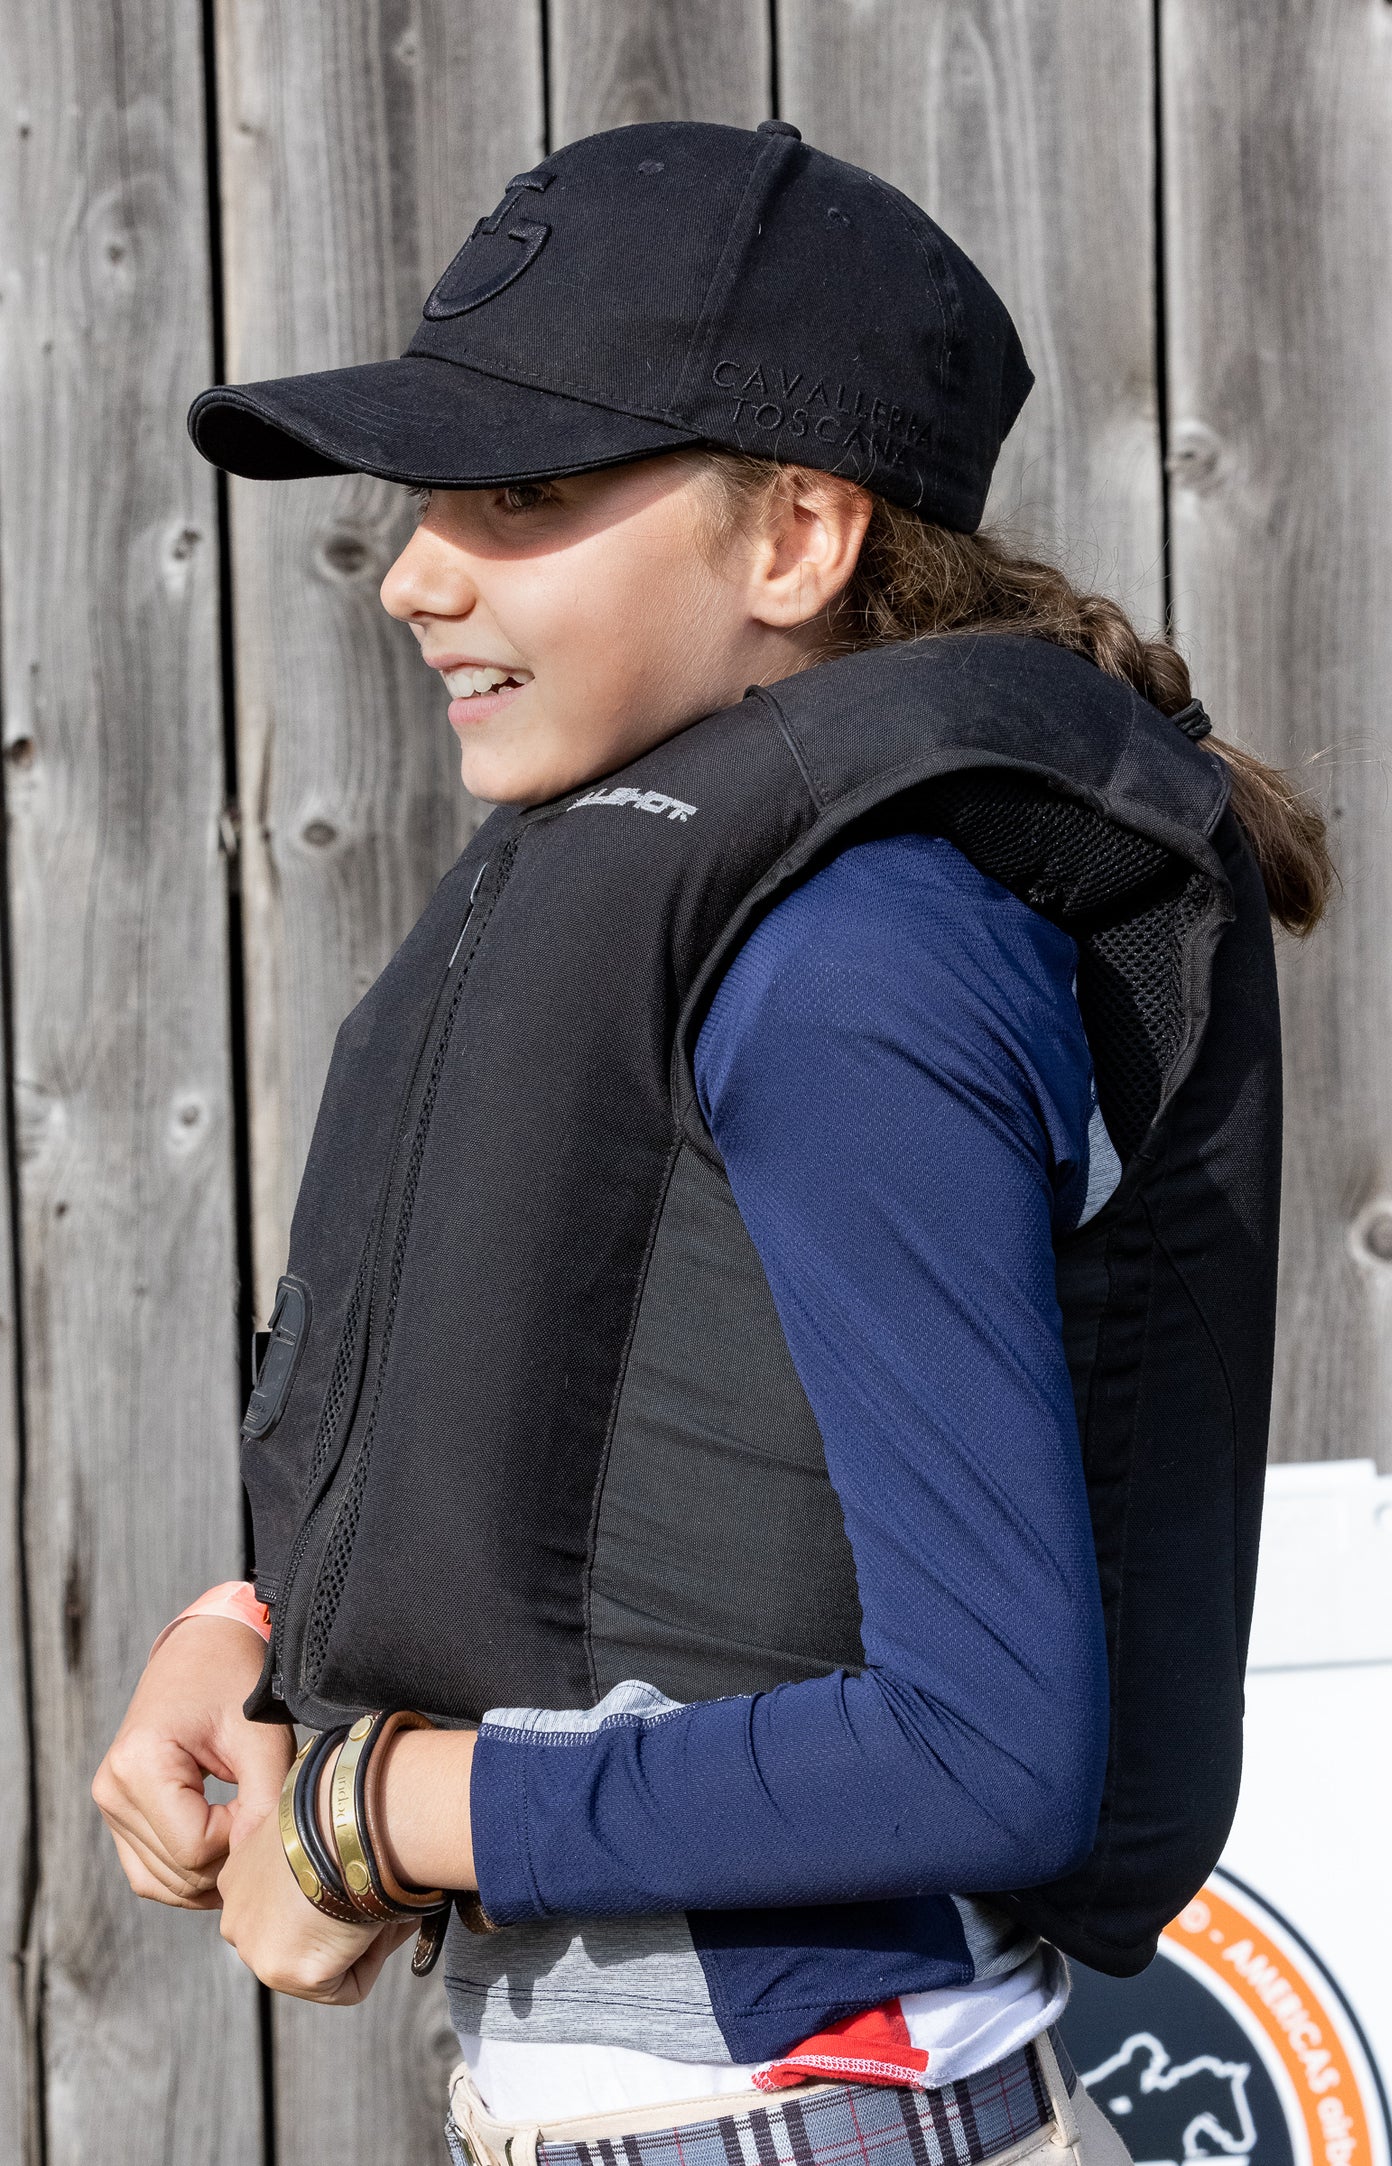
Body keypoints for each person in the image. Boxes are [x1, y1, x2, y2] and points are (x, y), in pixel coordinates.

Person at [93, 119, 1329, 2166]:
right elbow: (641, 1520)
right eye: (425, 498)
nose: (413, 572)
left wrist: (376, 1808)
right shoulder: (717, 925)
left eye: (523, 494)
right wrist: (246, 1645)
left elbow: (984, 1745)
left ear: (798, 538)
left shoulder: (862, 967)